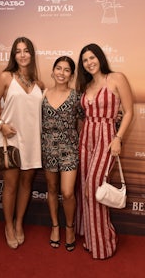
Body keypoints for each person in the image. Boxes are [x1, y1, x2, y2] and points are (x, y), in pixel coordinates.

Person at [75, 43, 133, 259]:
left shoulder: (116, 78)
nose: (89, 62)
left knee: (94, 187)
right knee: (84, 187)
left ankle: (104, 244)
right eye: (85, 60)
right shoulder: (86, 85)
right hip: (86, 137)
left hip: (107, 137)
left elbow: (128, 112)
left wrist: (118, 138)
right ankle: (91, 239)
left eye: (92, 57)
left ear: (99, 57)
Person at [0, 37, 44, 249]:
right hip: (10, 139)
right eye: (18, 51)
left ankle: (19, 223)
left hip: (33, 141)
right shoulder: (5, 77)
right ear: (13, 55)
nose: (22, 55)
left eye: (26, 50)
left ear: (32, 54)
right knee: (11, 185)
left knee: (26, 184)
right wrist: (2, 124)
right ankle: (8, 227)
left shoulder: (39, 84)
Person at [41, 56, 84, 252]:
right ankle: (55, 227)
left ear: (71, 75)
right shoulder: (42, 94)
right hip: (48, 148)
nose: (61, 73)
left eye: (66, 70)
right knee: (51, 188)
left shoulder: (77, 97)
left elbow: (85, 122)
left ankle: (69, 227)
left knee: (67, 192)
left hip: (69, 149)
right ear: (52, 71)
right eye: (58, 68)